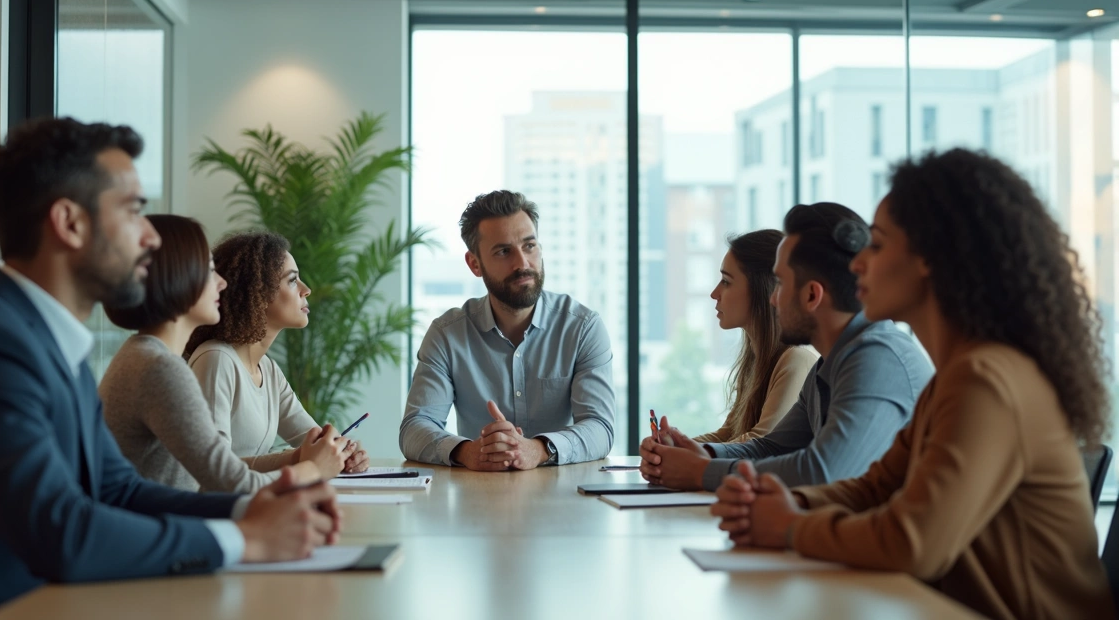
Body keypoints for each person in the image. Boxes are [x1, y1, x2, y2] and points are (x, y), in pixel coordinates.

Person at [0, 118, 340, 619]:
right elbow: (62, 533)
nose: (152, 238)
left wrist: (251, 509)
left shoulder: (43, 342)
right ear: (69, 223)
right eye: (134, 210)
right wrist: (244, 537)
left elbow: (118, 490)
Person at [710, 149, 1114, 619]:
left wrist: (789, 527)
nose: (857, 265)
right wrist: (784, 501)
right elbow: (873, 488)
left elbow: (912, 542)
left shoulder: (987, 380)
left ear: (929, 258)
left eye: (877, 246)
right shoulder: (957, 378)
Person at [640, 202, 932, 491]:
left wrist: (702, 472)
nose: (772, 299)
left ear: (811, 295)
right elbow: (771, 448)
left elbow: (823, 470)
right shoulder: (827, 367)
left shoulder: (876, 359)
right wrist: (701, 454)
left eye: (779, 283)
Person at [100, 215, 350, 492]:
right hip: (163, 528)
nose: (222, 282)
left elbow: (225, 474)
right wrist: (312, 469)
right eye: (208, 270)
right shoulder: (159, 367)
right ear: (178, 279)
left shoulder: (150, 357)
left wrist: (311, 458)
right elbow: (229, 483)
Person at [399, 190, 615, 469]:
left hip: (563, 498)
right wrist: (468, 452)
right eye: (503, 252)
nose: (522, 264)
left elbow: (600, 427)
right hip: (477, 496)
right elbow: (415, 428)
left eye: (529, 246)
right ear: (474, 264)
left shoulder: (583, 328)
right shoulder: (447, 334)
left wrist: (537, 449)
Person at [184, 231, 369, 475]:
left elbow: (313, 441)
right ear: (258, 293)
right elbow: (213, 471)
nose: (306, 290)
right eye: (292, 281)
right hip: (221, 510)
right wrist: (299, 459)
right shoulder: (217, 360)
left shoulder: (268, 370)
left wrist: (343, 452)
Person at [667, 230, 817, 446]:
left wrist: (684, 453)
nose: (714, 293)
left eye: (726, 282)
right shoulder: (754, 361)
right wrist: (675, 446)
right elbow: (728, 434)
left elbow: (760, 443)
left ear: (761, 289)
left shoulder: (796, 360)